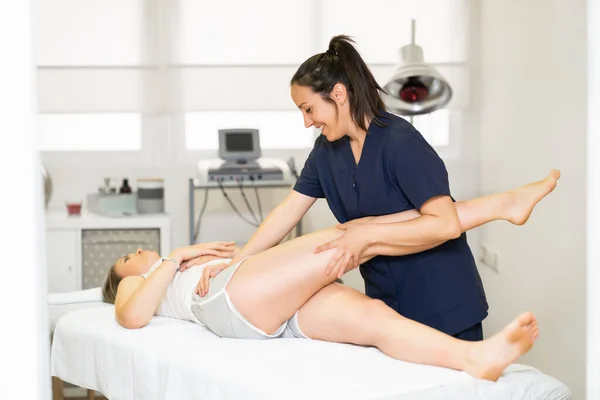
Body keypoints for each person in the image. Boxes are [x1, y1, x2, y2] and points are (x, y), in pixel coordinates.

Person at [215, 34, 559, 341]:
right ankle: (506, 203)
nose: (307, 121)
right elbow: (289, 209)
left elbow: (445, 223)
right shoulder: (326, 151)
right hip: (387, 304)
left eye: (309, 109)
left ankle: (509, 203)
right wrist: (240, 261)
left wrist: (365, 235)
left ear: (338, 94)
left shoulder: (400, 143)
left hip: (443, 301)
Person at [103, 176, 557, 381]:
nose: (138, 252)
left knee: (376, 317)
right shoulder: (139, 282)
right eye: (128, 256)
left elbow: (259, 248)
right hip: (231, 299)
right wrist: (175, 258)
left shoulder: (176, 267)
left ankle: (475, 358)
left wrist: (210, 257)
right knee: (353, 237)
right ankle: (500, 205)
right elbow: (132, 318)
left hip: (259, 299)